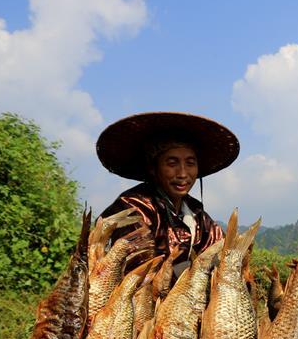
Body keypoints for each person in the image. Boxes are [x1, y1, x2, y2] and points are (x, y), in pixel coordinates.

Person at [96, 111, 239, 275]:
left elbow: (220, 255)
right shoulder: (132, 207)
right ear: (153, 168)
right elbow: (139, 274)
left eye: (190, 163)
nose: (183, 174)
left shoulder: (198, 216)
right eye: (172, 163)